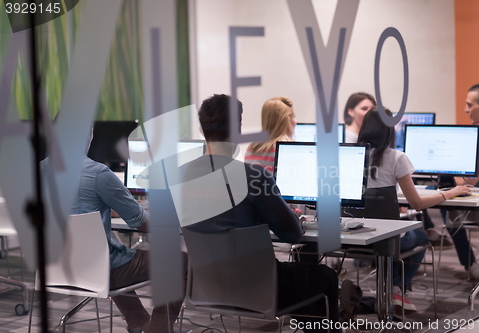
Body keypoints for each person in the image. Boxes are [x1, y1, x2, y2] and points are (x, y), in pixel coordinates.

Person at [178, 94, 340, 332]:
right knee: (325, 276)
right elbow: (292, 235)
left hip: (205, 286)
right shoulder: (254, 177)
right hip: (259, 287)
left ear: (203, 131)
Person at [357, 108, 470, 315]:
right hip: (384, 236)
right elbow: (416, 203)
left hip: (354, 236)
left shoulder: (350, 155)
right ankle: (396, 288)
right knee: (420, 236)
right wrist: (450, 193)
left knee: (401, 237)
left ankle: (392, 289)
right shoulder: (396, 158)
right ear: (389, 130)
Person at [72, 139, 186, 333]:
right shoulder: (98, 173)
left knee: (113, 251)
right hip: (98, 269)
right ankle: (157, 330)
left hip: (54, 266)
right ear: (89, 135)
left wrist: (110, 206)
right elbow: (140, 222)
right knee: (182, 262)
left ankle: (141, 324)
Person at [448, 82, 479, 280]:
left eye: (469, 105)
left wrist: (451, 165)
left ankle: (471, 265)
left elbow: (465, 185)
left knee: (446, 210)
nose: (465, 109)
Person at [245, 96, 296, 173]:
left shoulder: (251, 148)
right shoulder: (289, 148)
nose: (296, 121)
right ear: (286, 120)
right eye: (293, 117)